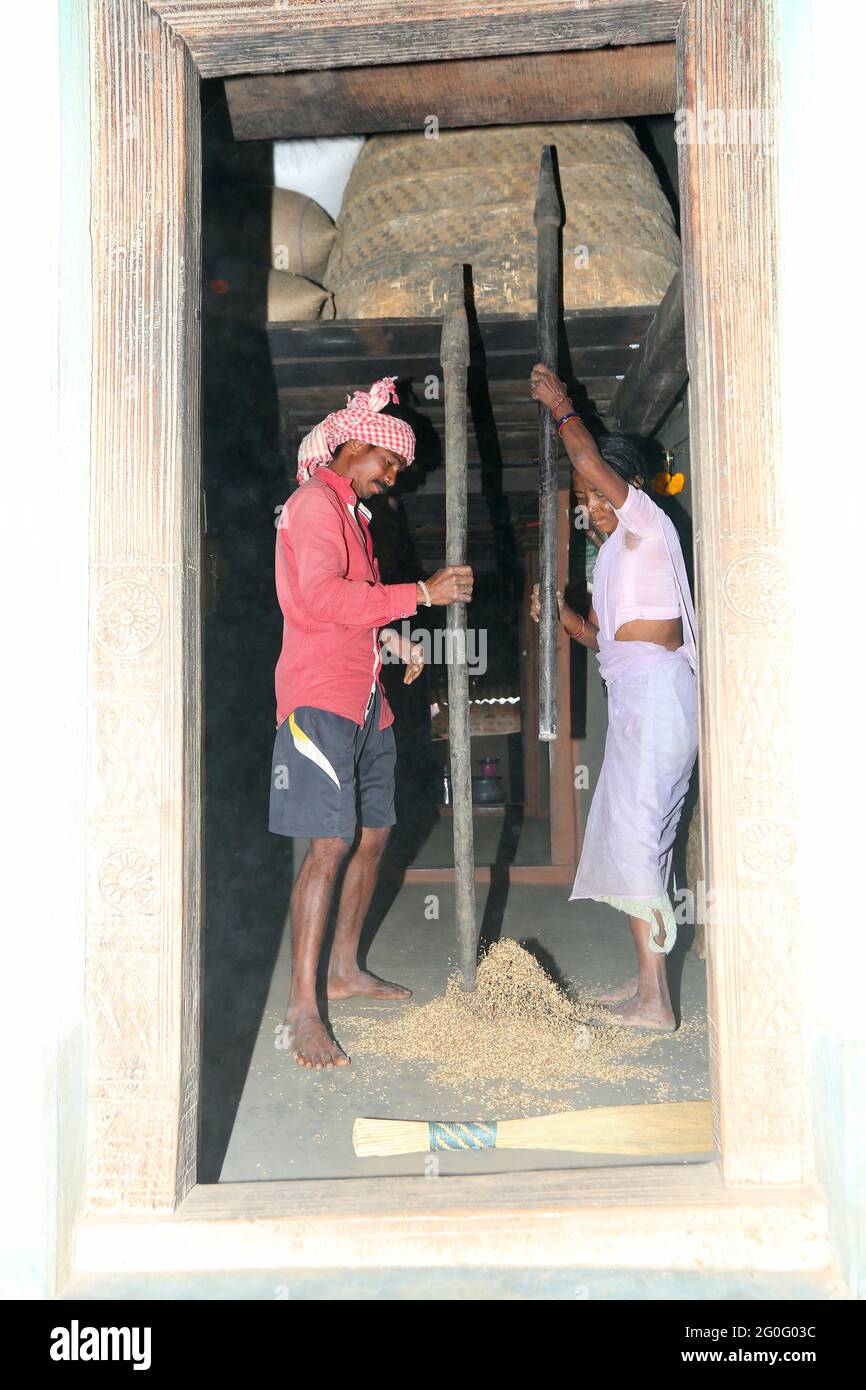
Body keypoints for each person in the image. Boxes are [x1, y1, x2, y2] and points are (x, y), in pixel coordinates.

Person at [271, 377, 473, 1070]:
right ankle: (303, 1007)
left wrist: (394, 641)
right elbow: (323, 599)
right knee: (328, 843)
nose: (395, 477)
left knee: (375, 832)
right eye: (390, 463)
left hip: (367, 697)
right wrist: (421, 593)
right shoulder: (313, 506)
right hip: (319, 696)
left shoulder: (354, 517)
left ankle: (342, 970)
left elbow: (355, 606)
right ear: (356, 446)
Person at [529, 363, 697, 1031]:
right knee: (637, 846)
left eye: (601, 495)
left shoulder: (647, 526)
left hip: (660, 699)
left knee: (637, 843)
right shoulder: (615, 562)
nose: (592, 507)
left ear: (628, 489)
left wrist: (562, 405)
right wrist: (563, 621)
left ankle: (656, 1005)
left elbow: (587, 459)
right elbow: (608, 643)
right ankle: (647, 984)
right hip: (637, 700)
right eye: (586, 500)